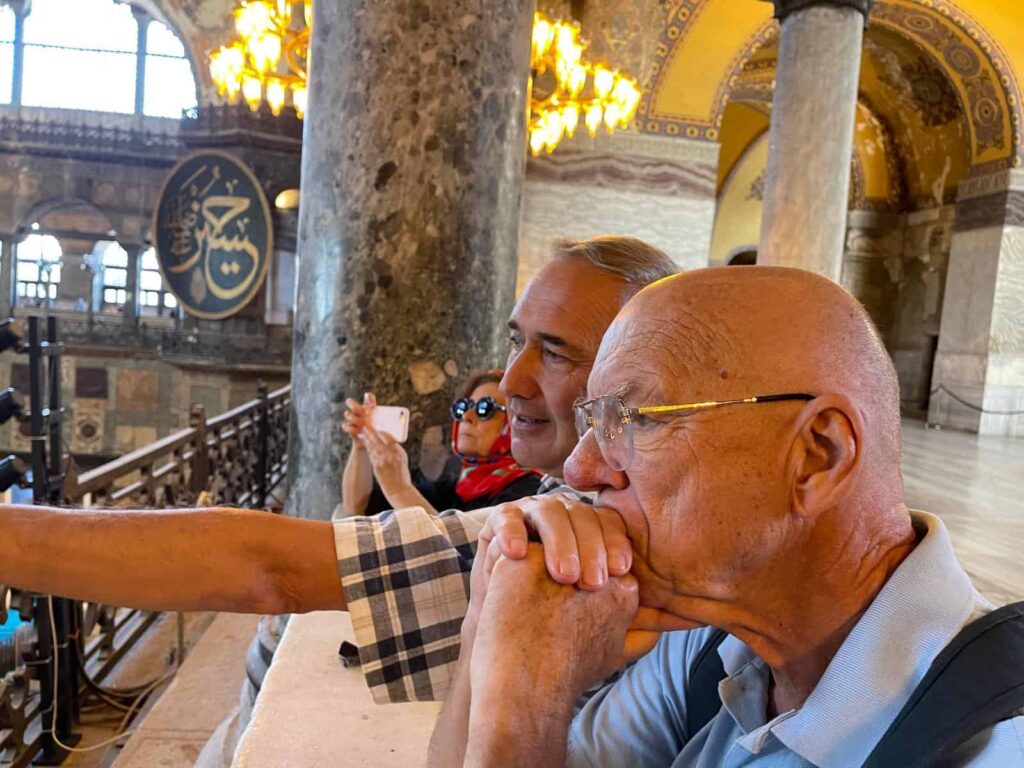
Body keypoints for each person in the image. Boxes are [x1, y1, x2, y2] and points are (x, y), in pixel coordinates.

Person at [0, 235, 675, 703]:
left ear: (640, 384)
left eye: (555, 353)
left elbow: (269, 569)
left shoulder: (597, 532)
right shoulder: (570, 493)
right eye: (515, 341)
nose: (511, 379)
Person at [430, 266, 1024, 767]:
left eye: (635, 417)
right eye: (594, 421)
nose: (582, 470)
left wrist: (524, 705)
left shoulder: (992, 740)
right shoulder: (712, 652)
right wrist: (488, 617)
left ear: (819, 455)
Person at [339, 370, 543, 517]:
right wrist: (361, 446)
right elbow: (355, 507)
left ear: (516, 422)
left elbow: (463, 561)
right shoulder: (462, 486)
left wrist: (400, 490)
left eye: (484, 408)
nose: (467, 416)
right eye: (464, 407)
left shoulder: (527, 491)